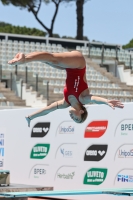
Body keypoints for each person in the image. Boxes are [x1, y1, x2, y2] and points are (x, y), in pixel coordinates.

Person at [8, 51, 124, 127]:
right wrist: (106, 101)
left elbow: (48, 109)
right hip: (78, 64)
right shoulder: (83, 99)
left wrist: (31, 117)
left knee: (47, 60)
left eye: (74, 120)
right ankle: (24, 59)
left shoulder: (65, 102)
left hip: (68, 68)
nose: (72, 118)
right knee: (53, 59)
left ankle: (24, 58)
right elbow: (94, 99)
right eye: (77, 119)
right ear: (81, 111)